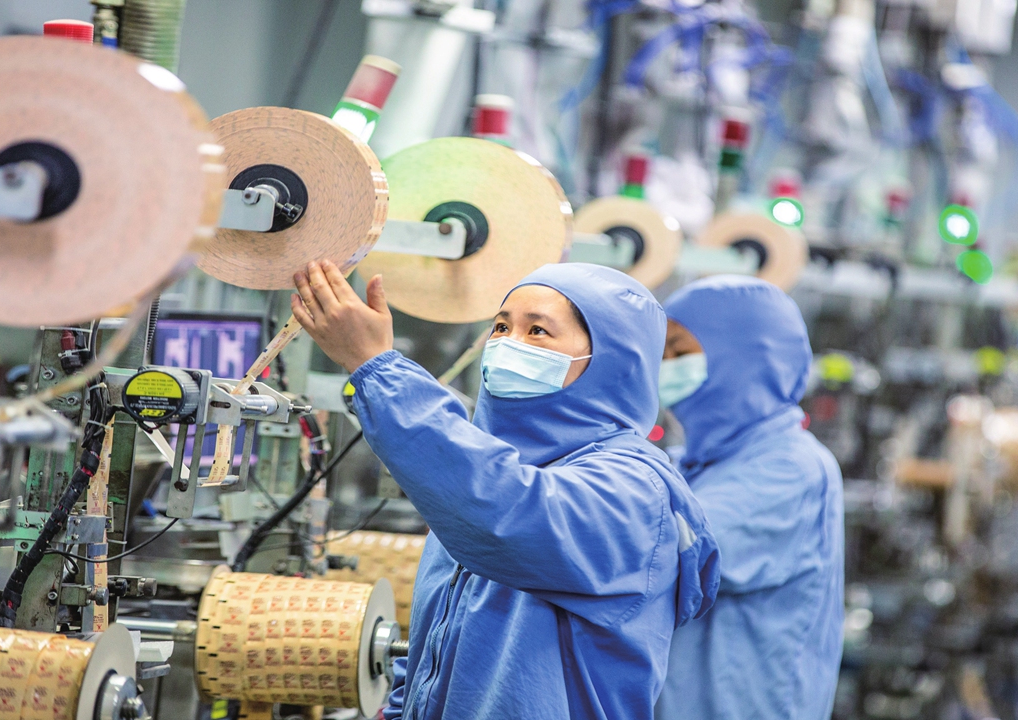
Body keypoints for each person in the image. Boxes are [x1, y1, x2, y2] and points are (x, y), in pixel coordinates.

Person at [290, 259, 719, 720]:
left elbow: (507, 514)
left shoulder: (634, 492)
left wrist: (376, 368)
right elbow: (436, 646)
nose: (507, 345)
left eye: (538, 332)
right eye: (500, 326)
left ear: (613, 363)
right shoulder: (481, 476)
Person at [651, 275, 845, 720]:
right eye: (661, 352)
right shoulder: (690, 464)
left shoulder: (791, 468)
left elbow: (661, 552)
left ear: (740, 357)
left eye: (680, 350)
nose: (665, 365)